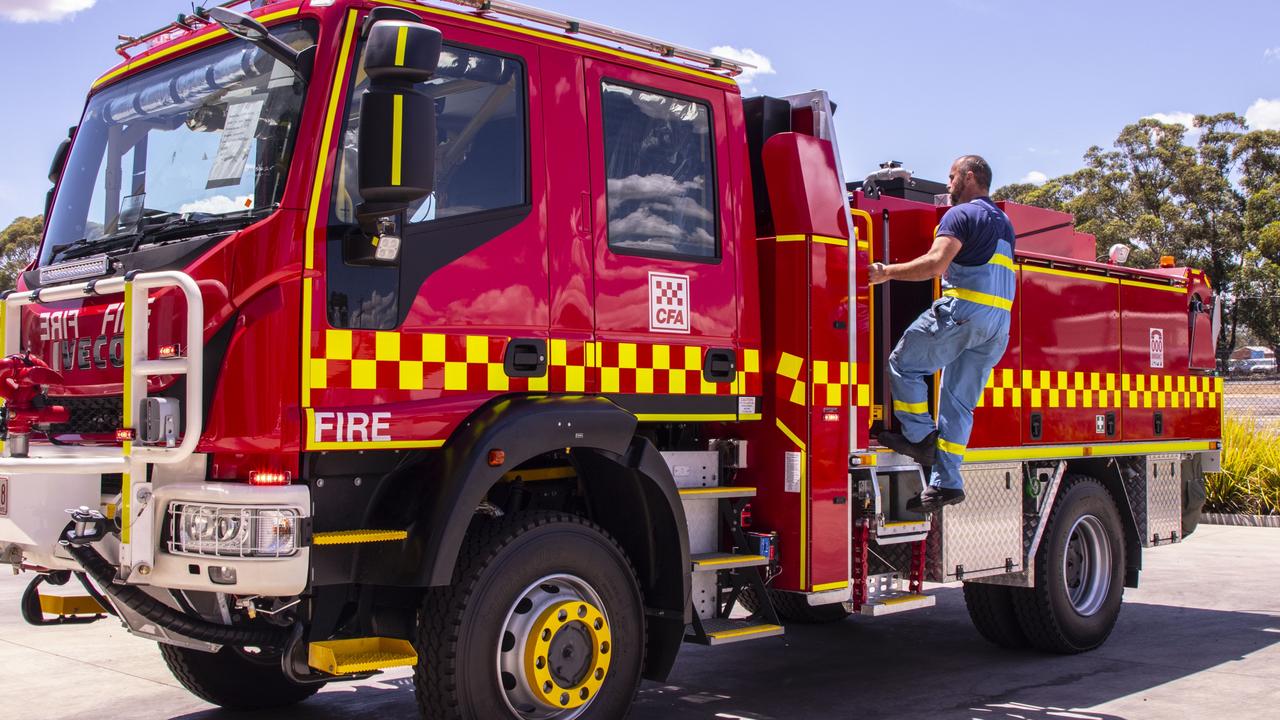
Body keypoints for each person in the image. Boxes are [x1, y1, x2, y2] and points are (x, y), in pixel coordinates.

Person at [868, 155, 1016, 512]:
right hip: (997, 326)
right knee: (958, 404)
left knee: (904, 365)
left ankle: (920, 439)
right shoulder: (1004, 222)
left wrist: (885, 272)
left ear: (969, 177)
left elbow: (935, 264)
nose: (948, 187)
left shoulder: (960, 215)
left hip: (964, 313)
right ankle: (946, 484)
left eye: (951, 179)